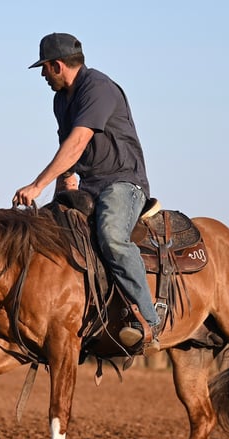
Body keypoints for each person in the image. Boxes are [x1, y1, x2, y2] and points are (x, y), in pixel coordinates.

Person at [13, 32, 160, 350]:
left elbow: (78, 140)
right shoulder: (60, 100)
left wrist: (37, 185)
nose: (42, 75)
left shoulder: (98, 87)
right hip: (90, 185)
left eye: (44, 68)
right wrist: (63, 183)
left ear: (57, 65)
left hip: (123, 182)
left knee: (111, 235)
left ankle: (148, 319)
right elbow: (67, 146)